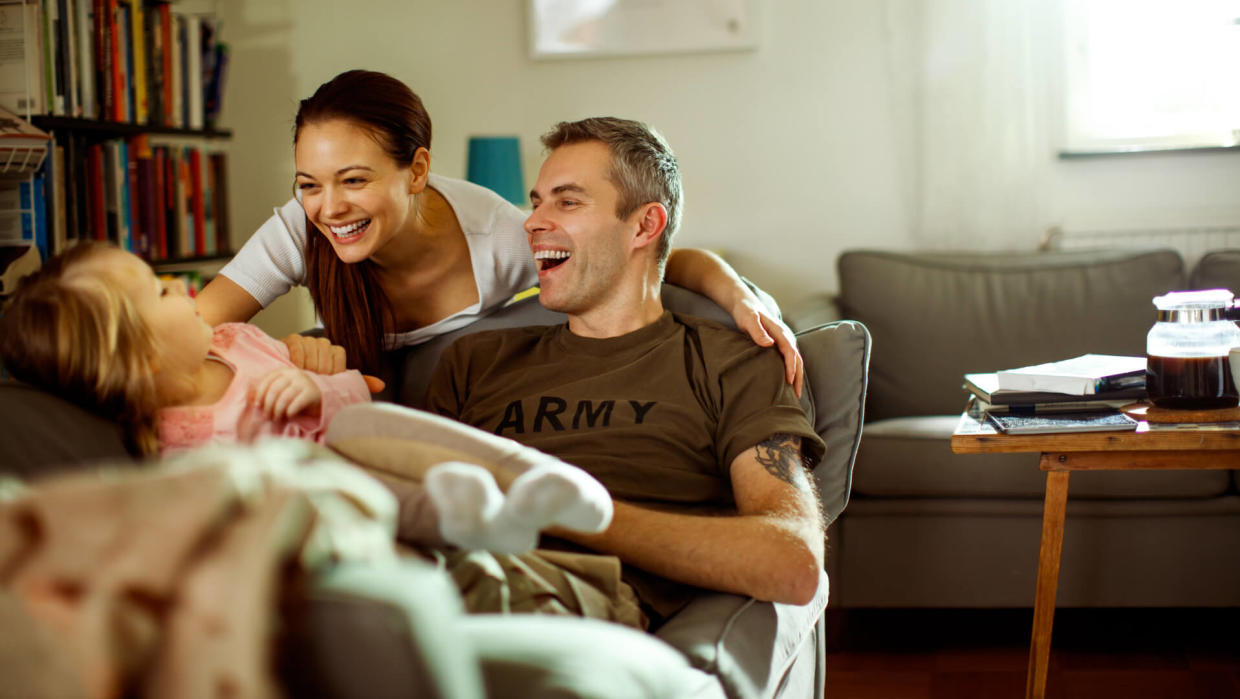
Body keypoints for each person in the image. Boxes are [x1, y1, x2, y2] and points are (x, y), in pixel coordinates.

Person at [423, 117, 827, 627]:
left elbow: (792, 561)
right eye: (538, 200)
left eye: (567, 202)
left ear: (643, 226)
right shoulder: (475, 360)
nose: (532, 221)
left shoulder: (728, 361)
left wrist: (574, 513)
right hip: (429, 572)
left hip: (560, 594)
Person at [194, 70, 803, 393]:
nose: (328, 207)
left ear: (419, 170)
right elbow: (195, 330)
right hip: (342, 392)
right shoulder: (298, 228)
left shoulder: (499, 239)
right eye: (309, 183)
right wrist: (282, 357)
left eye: (354, 180)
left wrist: (740, 296)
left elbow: (645, 257)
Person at [0, 242, 613, 554]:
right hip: (343, 509)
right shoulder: (176, 444)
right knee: (319, 467)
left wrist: (317, 389)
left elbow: (359, 400)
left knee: (358, 431)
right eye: (156, 294)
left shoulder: (237, 341)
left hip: (369, 442)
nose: (176, 284)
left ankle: (537, 477)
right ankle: (469, 521)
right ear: (138, 358)